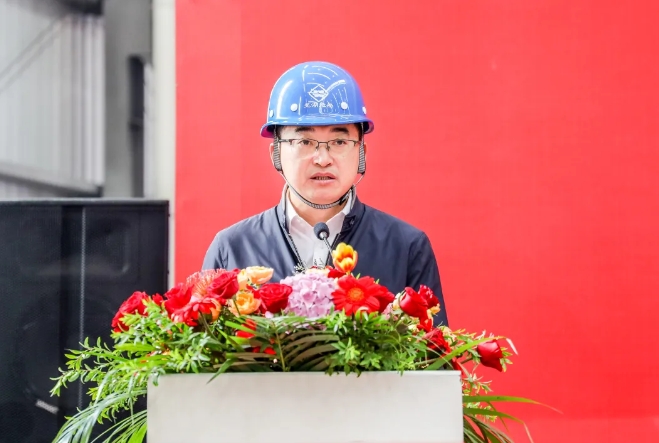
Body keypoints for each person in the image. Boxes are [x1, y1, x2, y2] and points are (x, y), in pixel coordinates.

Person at [202, 61, 448, 327]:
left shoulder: (406, 247)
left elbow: (434, 350)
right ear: (276, 154)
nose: (322, 159)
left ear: (361, 152)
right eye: (304, 141)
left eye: (339, 141)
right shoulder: (232, 248)